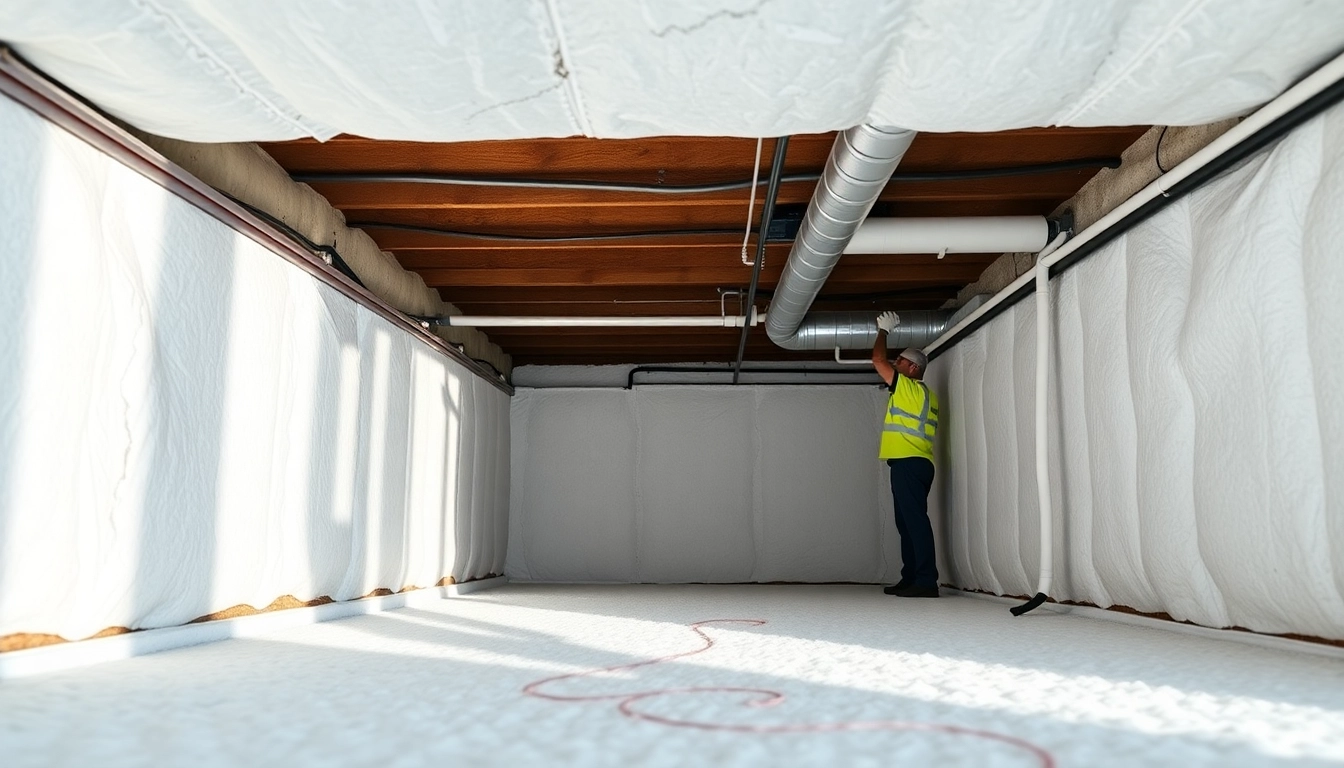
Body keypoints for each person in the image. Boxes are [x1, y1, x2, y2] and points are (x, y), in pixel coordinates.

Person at [871, 311, 940, 598]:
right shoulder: (923, 394)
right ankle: (911, 577)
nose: (893, 363)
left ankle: (925, 581)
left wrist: (884, 332)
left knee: (914, 521)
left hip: (910, 463)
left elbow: (877, 360)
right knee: (907, 522)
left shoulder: (909, 389)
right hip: (913, 463)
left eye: (899, 361)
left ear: (913, 368)